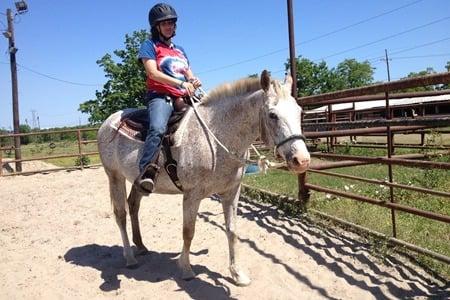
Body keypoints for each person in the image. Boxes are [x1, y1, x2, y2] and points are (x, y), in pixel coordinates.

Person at [136, 3, 202, 193]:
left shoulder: (179, 50)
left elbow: (188, 73)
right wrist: (181, 84)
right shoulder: (149, 46)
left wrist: (193, 80)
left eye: (172, 23)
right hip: (160, 96)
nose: (169, 26)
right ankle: (146, 171)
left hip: (183, 96)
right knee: (157, 127)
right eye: (165, 23)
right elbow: (152, 74)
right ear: (156, 26)